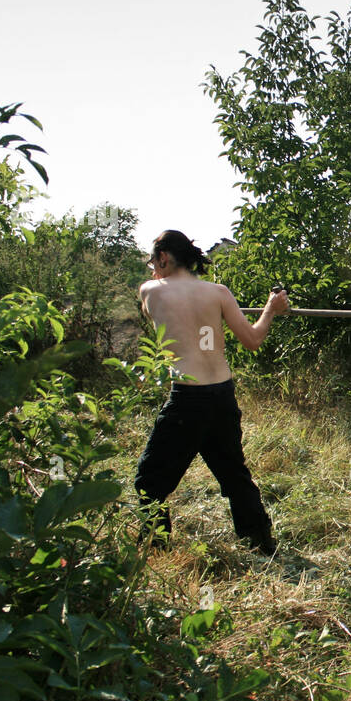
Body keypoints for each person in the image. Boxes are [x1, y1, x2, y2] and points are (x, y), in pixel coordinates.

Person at [133, 229, 289, 555]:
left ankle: (155, 548)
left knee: (150, 481)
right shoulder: (219, 293)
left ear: (163, 258)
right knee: (235, 477)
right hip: (222, 396)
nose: (152, 270)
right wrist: (271, 308)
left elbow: (159, 312)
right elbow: (253, 340)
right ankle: (261, 544)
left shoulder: (150, 291)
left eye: (154, 262)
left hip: (187, 400)